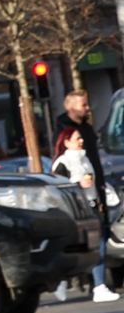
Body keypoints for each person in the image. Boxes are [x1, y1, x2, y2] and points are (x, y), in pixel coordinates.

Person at [52, 87, 116, 301]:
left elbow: (93, 165)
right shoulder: (66, 143)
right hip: (77, 205)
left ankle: (95, 284)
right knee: (83, 243)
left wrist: (99, 186)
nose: (88, 109)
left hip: (93, 198)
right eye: (83, 105)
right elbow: (60, 181)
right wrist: (78, 183)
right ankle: (74, 281)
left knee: (98, 241)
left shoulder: (86, 136)